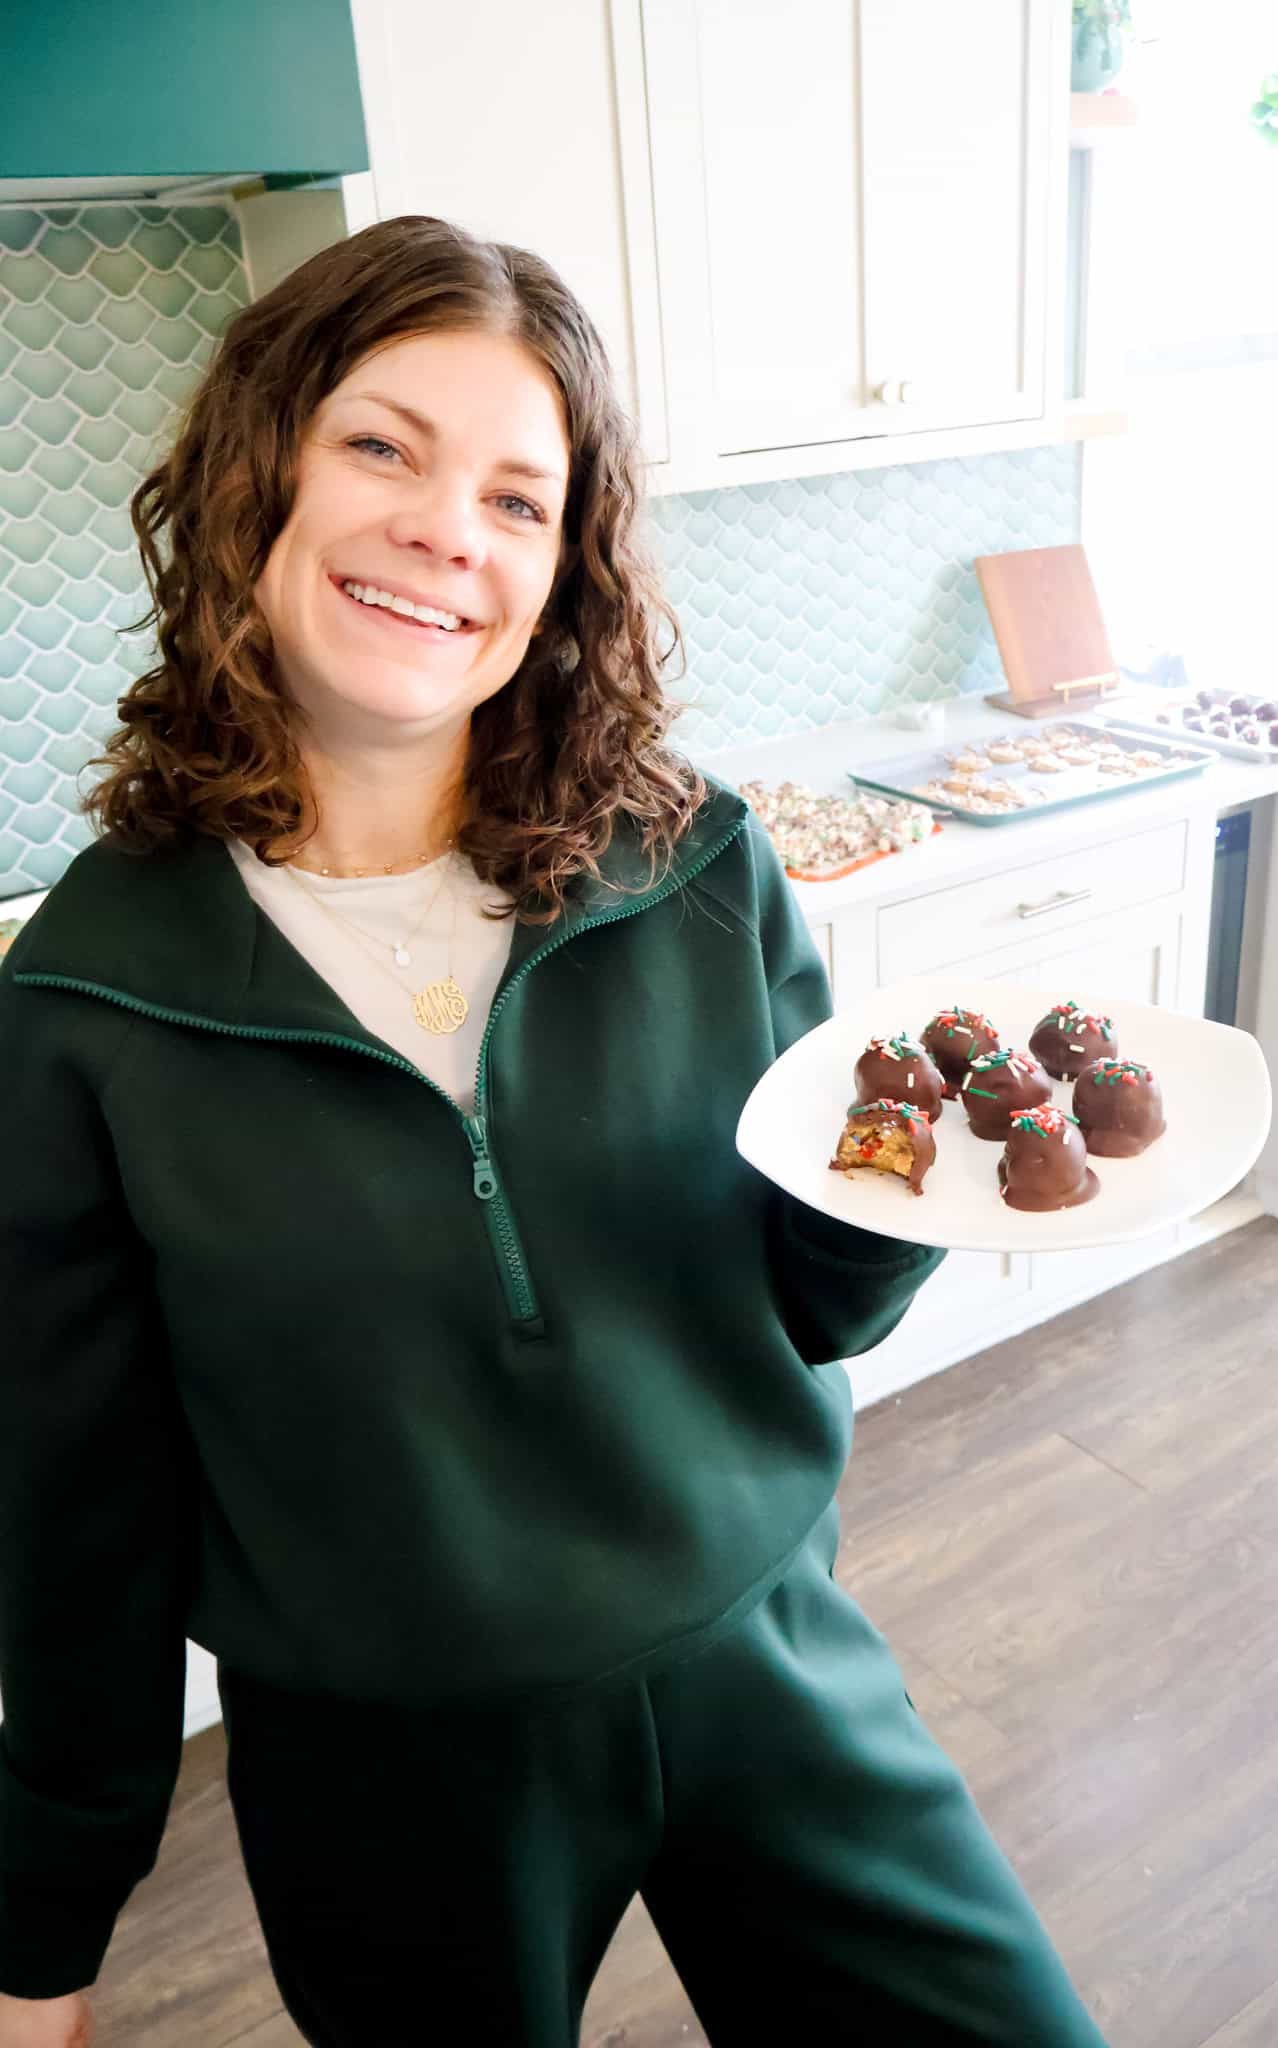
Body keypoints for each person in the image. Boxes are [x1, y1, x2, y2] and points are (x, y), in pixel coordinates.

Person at [0, 215, 1110, 2047]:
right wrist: (42, 1934)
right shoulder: (90, 1006)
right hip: (388, 1764)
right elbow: (80, 1518)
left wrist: (903, 1184)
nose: (450, 529)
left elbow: (815, 1308)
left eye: (520, 497)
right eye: (382, 447)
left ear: (561, 564)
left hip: (764, 1655)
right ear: (249, 475)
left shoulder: (688, 861)